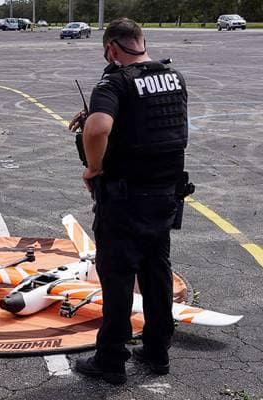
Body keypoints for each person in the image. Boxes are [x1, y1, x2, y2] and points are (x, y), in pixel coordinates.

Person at [68, 18, 189, 384]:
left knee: (118, 278)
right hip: (166, 195)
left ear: (112, 49)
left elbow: (99, 128)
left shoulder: (114, 81)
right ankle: (157, 351)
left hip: (125, 198)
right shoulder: (174, 78)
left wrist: (93, 168)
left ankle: (111, 359)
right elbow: (150, 125)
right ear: (142, 41)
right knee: (155, 274)